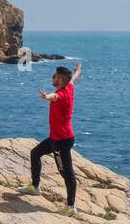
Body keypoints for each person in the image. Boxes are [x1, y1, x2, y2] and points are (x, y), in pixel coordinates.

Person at [19, 61, 82, 215]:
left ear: (60, 80)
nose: (52, 77)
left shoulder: (62, 94)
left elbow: (54, 97)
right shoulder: (69, 86)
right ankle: (35, 187)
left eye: (54, 76)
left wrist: (46, 96)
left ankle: (71, 206)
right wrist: (77, 71)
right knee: (35, 153)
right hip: (55, 138)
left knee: (66, 173)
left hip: (62, 142)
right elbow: (73, 79)